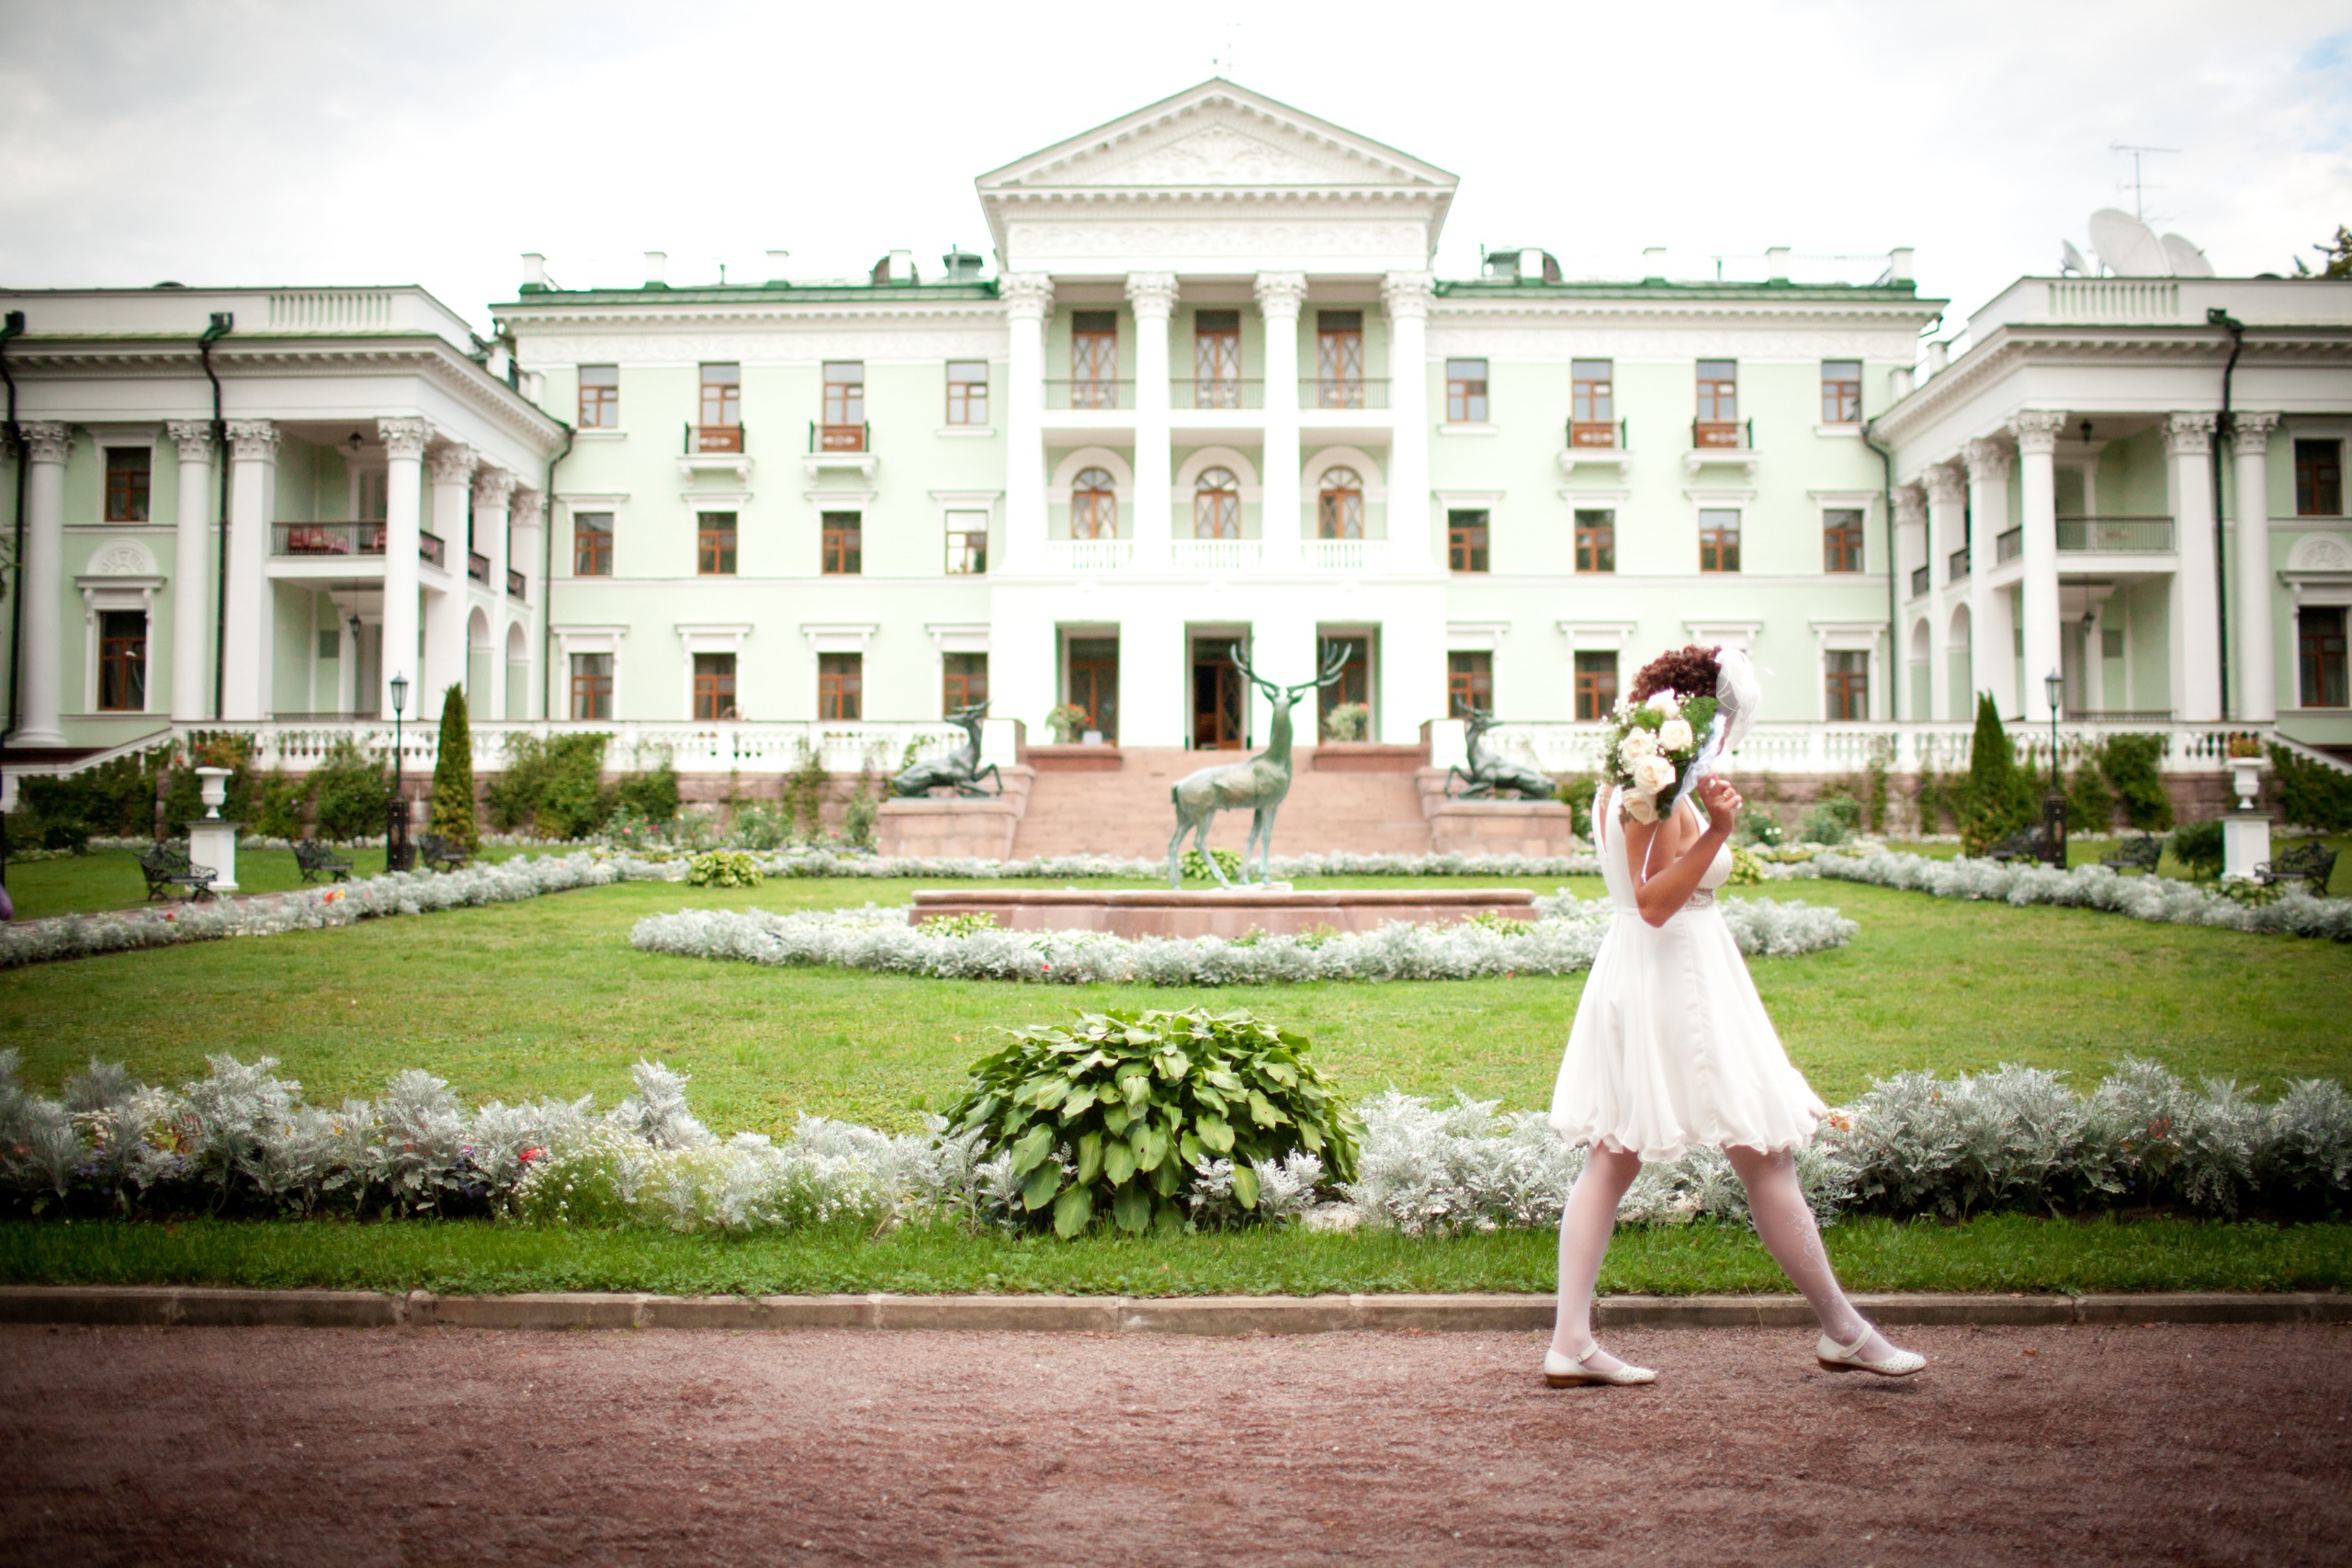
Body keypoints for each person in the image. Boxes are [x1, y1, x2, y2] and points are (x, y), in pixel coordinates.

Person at [1544, 644, 1924, 1387]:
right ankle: (1844, 1330)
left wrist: (1706, 819)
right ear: (1692, 714)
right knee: (1757, 1153)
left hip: (1656, 975)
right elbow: (1654, 902)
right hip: (1677, 981)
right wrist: (1718, 831)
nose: (1723, 737)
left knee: (1615, 1154)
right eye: (1718, 723)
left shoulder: (1639, 774)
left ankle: (1571, 1341)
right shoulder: (1653, 783)